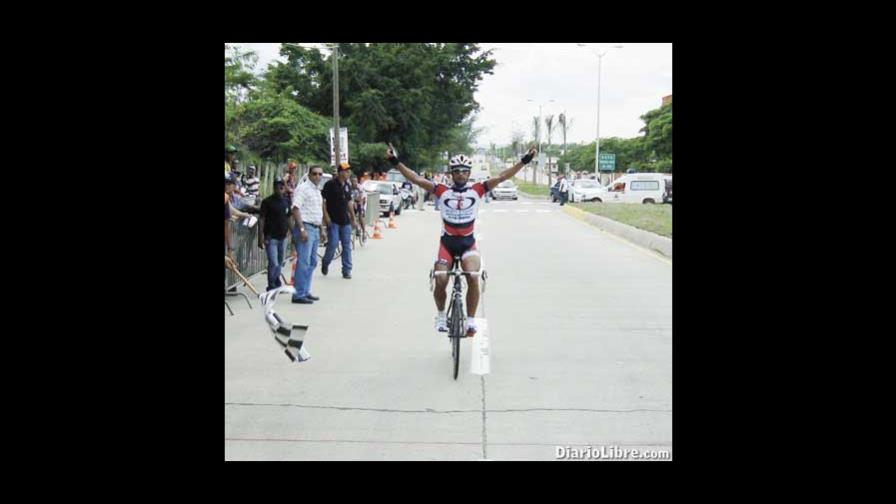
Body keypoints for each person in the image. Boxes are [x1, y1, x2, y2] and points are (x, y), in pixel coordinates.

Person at [386, 144, 538, 337]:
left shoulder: (478, 189)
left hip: (468, 243)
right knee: (441, 279)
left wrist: (525, 160)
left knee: (473, 275)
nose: (460, 175)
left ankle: (471, 321)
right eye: (456, 171)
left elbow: (502, 176)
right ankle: (441, 315)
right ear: (451, 174)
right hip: (447, 244)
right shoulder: (441, 190)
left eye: (464, 171)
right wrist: (395, 162)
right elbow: (415, 178)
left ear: (468, 173)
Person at [289, 166, 326, 304]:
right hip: (306, 227)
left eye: (320, 174)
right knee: (303, 262)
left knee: (312, 262)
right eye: (315, 174)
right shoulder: (303, 188)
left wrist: (321, 228)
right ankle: (298, 294)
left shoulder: (316, 190)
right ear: (309, 174)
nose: (317, 176)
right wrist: (302, 229)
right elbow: (295, 208)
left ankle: (305, 290)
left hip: (315, 227)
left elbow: (317, 211)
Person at [321, 162, 359, 279]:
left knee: (346, 245)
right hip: (333, 220)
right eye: (346, 171)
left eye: (349, 171)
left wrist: (353, 218)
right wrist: (325, 216)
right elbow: (322, 200)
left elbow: (349, 203)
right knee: (332, 243)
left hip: (345, 220)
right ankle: (326, 262)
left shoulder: (347, 185)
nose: (348, 173)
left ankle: (347, 269)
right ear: (341, 172)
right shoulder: (330, 184)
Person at [258, 178, 291, 292]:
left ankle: (277, 282)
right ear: (274, 187)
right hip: (270, 237)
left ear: (284, 187)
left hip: (283, 237)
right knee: (273, 262)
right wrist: (260, 236)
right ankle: (271, 285)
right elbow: (261, 219)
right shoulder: (267, 201)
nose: (279, 188)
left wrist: (293, 233)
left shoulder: (287, 201)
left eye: (281, 185)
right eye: (277, 186)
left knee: (280, 262)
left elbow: (289, 218)